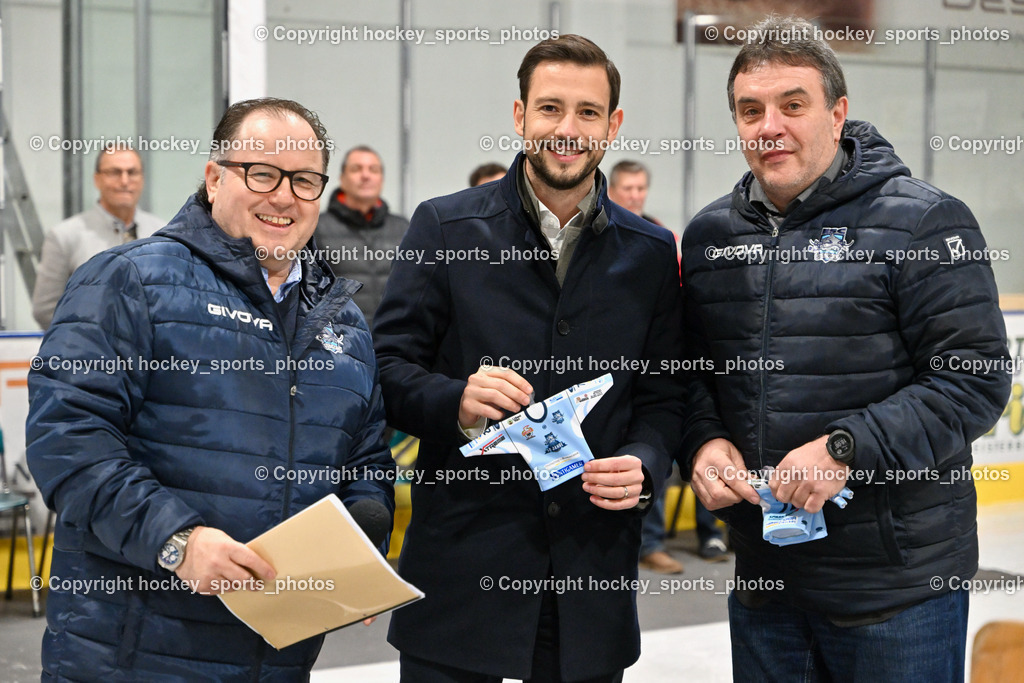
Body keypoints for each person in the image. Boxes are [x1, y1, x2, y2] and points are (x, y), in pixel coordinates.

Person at [679, 15, 1010, 681]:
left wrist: (844, 450)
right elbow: (692, 376)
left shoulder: (923, 220)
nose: (768, 124)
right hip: (767, 581)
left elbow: (973, 381)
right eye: (750, 109)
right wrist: (704, 440)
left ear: (838, 112)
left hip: (896, 589)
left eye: (791, 104)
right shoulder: (712, 235)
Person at [26, 97, 395, 681]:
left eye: (303, 180)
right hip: (134, 650)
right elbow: (68, 442)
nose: (283, 196)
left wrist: (363, 534)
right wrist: (177, 541)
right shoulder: (129, 280)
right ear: (215, 176)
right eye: (262, 173)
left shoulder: (343, 323)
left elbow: (367, 454)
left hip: (278, 653)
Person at [374, 34, 684, 682]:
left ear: (613, 124)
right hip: (460, 582)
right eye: (549, 109)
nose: (566, 129)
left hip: (588, 583)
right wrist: (454, 400)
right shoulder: (445, 227)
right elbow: (385, 368)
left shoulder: (652, 253)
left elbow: (662, 398)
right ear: (520, 117)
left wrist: (647, 464)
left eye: (587, 112)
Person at [608, 160, 729, 573]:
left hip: (667, 359)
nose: (635, 195)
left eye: (641, 188)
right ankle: (650, 543)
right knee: (645, 453)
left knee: (696, 438)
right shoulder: (604, 238)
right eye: (627, 188)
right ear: (612, 190)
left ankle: (711, 534)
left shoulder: (661, 238)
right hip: (621, 368)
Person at [31, 144, 164, 328]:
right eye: (115, 172)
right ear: (97, 179)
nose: (125, 181)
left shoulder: (162, 234)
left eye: (132, 172)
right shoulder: (64, 236)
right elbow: (45, 310)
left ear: (142, 179)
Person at [315, 145, 409, 327]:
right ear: (342, 178)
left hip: (391, 340)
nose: (366, 175)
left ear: (381, 179)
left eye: (373, 170)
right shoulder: (318, 227)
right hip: (341, 340)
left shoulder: (403, 227)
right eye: (356, 169)